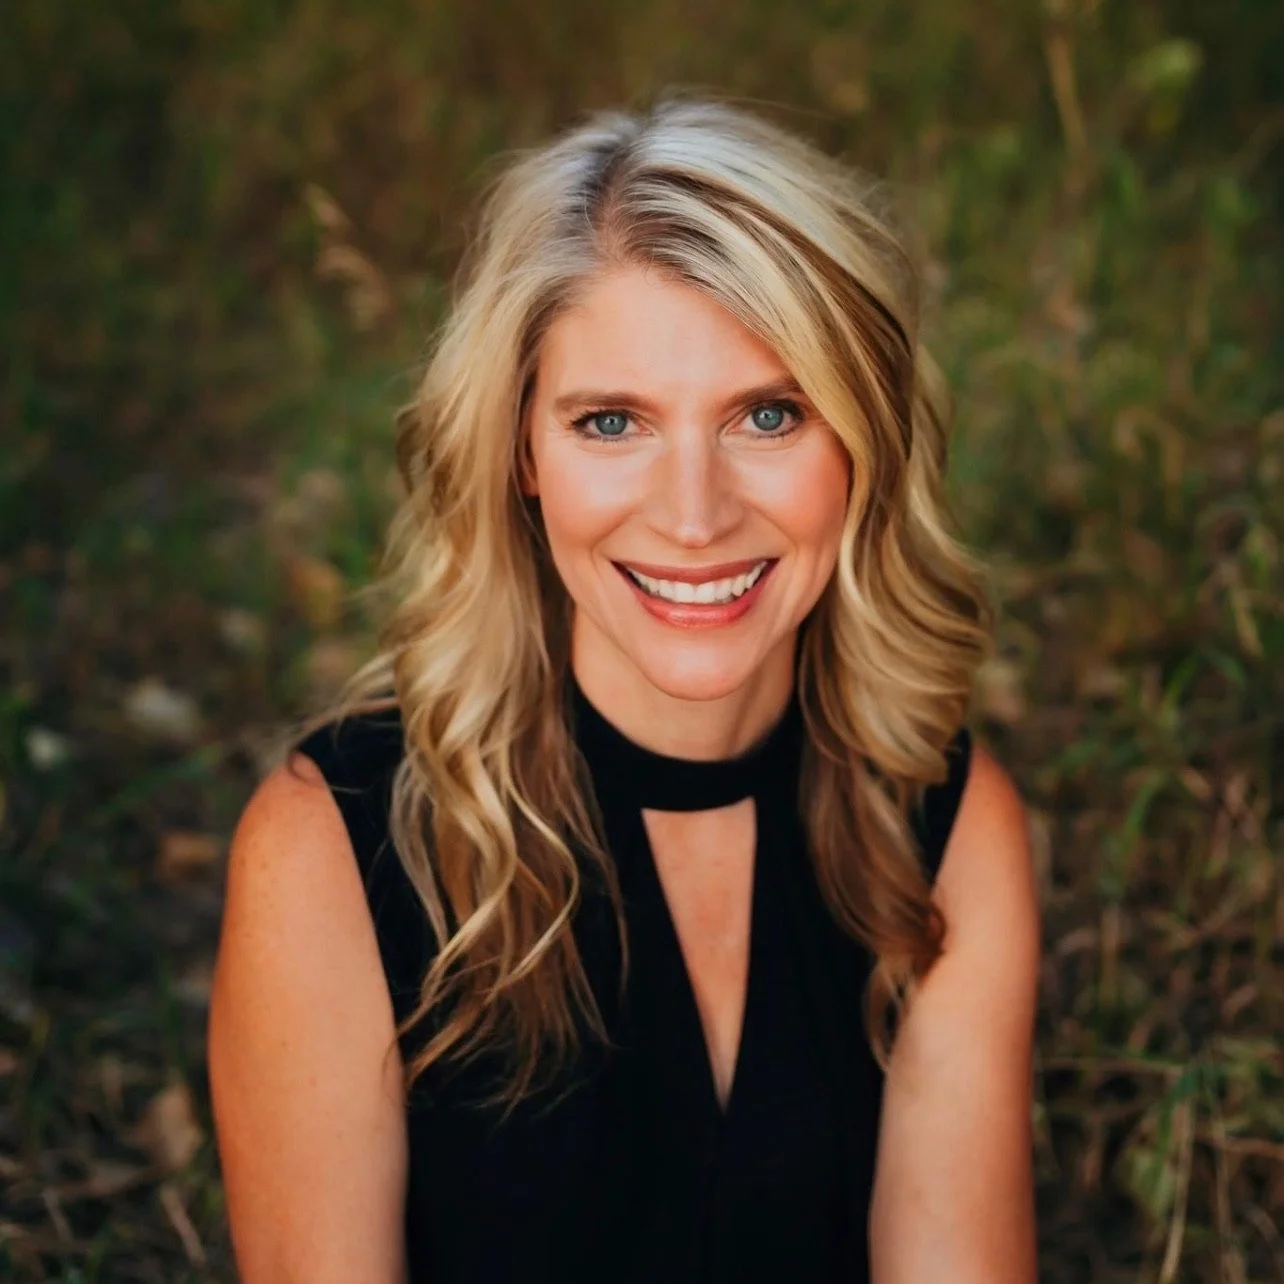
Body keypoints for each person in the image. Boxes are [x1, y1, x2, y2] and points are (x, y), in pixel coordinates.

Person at [207, 97, 1041, 1284]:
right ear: (521, 454)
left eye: (768, 415)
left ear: (864, 445)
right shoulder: (334, 847)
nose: (693, 517)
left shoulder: (940, 823)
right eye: (611, 422)